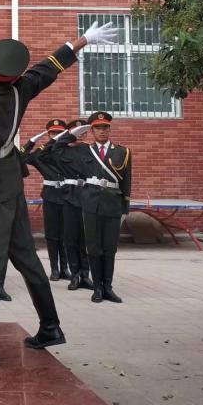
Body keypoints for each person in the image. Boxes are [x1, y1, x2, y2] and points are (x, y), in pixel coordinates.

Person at [0, 20, 117, 369]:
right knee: (26, 259)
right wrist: (81, 41)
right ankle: (50, 327)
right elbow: (46, 69)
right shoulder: (19, 90)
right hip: (11, 185)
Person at [50, 112, 132, 303]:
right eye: (97, 128)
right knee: (94, 248)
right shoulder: (84, 150)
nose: (102, 131)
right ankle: (97, 288)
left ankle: (108, 287)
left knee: (110, 248)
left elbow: (126, 183)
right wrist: (73, 133)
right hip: (91, 204)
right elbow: (55, 149)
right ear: (92, 131)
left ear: (109, 129)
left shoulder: (123, 152)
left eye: (105, 127)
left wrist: (125, 209)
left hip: (112, 204)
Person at [21, 119, 72, 281]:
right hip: (50, 195)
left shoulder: (70, 151)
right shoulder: (41, 154)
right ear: (48, 135)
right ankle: (54, 268)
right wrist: (32, 141)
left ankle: (65, 268)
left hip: (68, 194)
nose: (56, 136)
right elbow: (22, 157)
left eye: (59, 133)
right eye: (53, 133)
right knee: (52, 234)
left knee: (66, 234)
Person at [52, 118, 93, 292]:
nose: (81, 135)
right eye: (78, 132)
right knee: (70, 238)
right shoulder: (62, 150)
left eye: (84, 132)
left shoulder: (90, 150)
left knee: (86, 238)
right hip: (69, 197)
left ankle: (86, 274)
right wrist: (70, 136)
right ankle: (75, 274)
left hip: (88, 196)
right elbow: (51, 149)